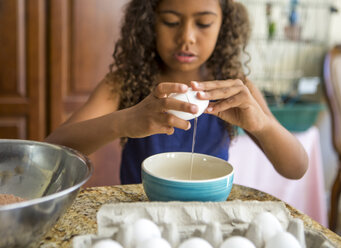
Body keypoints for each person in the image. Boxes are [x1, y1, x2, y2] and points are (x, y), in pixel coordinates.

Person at [45, 0, 308, 184]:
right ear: (149, 22)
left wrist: (262, 125)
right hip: (140, 222)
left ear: (224, 26)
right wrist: (124, 122)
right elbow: (54, 148)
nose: (187, 37)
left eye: (203, 23)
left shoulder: (234, 87)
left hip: (207, 221)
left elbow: (296, 168)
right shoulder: (125, 82)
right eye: (171, 21)